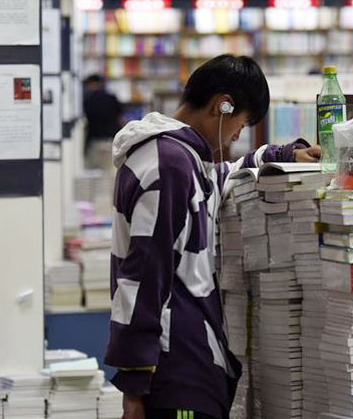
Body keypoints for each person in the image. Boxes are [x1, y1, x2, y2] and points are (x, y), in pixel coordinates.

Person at [105, 55, 321, 419]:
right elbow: (144, 273)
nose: (239, 134)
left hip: (188, 363)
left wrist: (283, 154)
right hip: (175, 367)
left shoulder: (181, 159)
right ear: (222, 104)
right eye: (241, 122)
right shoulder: (168, 164)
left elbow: (223, 178)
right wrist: (134, 382)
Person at [83, 74, 123, 170]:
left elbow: (88, 119)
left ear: (91, 84)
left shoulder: (88, 100)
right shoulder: (112, 98)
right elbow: (119, 116)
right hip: (111, 140)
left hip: (94, 141)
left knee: (93, 173)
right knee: (109, 172)